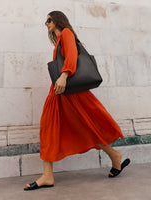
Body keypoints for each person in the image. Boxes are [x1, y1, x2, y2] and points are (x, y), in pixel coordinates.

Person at [24, 10, 130, 191]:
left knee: (85, 126)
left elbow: (72, 55)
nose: (46, 23)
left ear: (58, 20)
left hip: (68, 90)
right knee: (60, 127)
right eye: (46, 21)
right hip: (60, 91)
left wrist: (64, 76)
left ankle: (114, 155)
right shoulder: (59, 39)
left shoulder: (66, 33)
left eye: (49, 19)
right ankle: (49, 174)